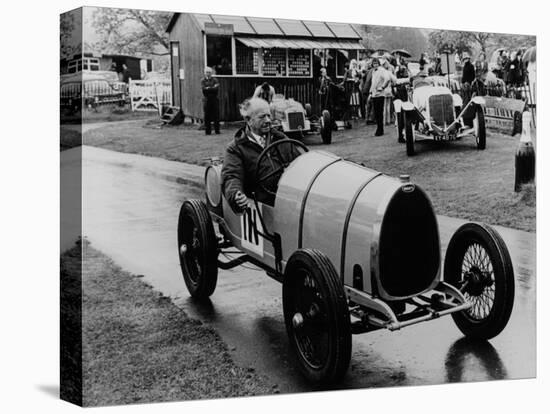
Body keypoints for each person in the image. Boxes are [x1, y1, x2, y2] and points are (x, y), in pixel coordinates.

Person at [221, 98, 293, 213]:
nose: (268, 120)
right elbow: (232, 176)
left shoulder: (281, 139)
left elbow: (301, 162)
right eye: (262, 117)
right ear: (248, 120)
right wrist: (236, 195)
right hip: (259, 206)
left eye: (269, 116)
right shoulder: (236, 148)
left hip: (289, 200)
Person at [369, 58, 391, 136]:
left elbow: (387, 79)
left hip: (380, 94)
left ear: (379, 64)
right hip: (374, 94)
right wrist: (370, 92)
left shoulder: (381, 70)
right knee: (376, 113)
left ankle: (380, 129)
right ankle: (379, 128)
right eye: (374, 63)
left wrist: (382, 87)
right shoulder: (373, 71)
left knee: (379, 112)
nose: (375, 65)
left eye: (376, 63)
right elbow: (373, 82)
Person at [201, 66, 220, 135]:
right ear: (204, 73)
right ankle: (208, 131)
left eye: (209, 72)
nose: (208, 73)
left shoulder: (215, 80)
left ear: (211, 73)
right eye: (207, 72)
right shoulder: (203, 80)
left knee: (216, 115)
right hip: (206, 99)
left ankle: (217, 130)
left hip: (214, 99)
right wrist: (212, 88)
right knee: (207, 116)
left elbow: (216, 89)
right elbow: (204, 90)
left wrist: (208, 88)